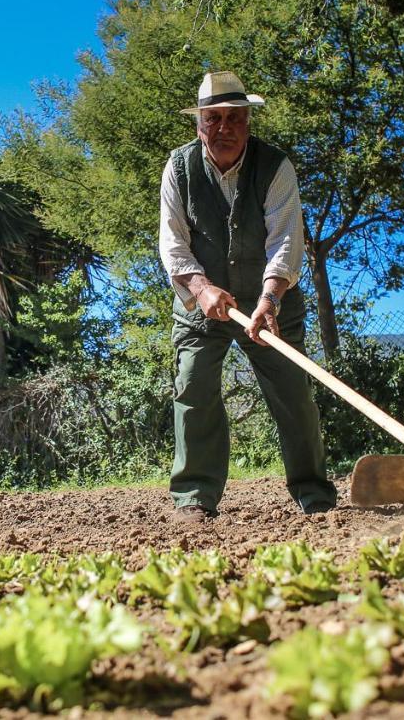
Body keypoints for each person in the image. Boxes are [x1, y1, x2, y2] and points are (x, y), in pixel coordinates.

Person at [159, 70, 338, 521]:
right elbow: (173, 243)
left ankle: (314, 493)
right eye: (213, 118)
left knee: (293, 392)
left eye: (234, 118)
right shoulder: (178, 169)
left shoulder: (276, 167)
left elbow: (285, 240)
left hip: (271, 302)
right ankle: (195, 497)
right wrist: (200, 288)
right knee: (194, 385)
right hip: (202, 302)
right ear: (198, 124)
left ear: (248, 122)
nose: (224, 128)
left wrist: (270, 300)